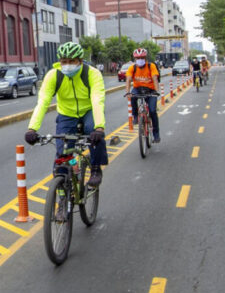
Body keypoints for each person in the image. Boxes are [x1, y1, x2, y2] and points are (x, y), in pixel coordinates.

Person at [25, 42, 107, 187]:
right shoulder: (53, 75)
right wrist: (32, 129)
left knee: (93, 132)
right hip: (67, 114)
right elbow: (43, 102)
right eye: (64, 62)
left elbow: (97, 100)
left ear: (80, 61)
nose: (67, 65)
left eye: (71, 61)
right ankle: (63, 196)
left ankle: (95, 169)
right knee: (63, 153)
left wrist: (99, 127)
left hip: (89, 110)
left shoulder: (92, 74)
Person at [125, 48, 161, 143]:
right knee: (132, 97)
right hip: (138, 88)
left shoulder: (151, 66)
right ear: (135, 59)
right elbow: (128, 80)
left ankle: (156, 134)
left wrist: (156, 91)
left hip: (151, 90)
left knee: (153, 111)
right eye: (138, 58)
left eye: (142, 57)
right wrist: (128, 92)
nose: (140, 59)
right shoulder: (132, 68)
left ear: (145, 58)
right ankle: (136, 116)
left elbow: (155, 78)